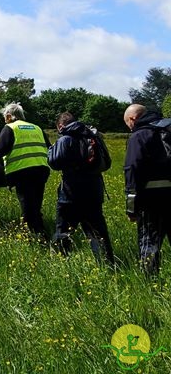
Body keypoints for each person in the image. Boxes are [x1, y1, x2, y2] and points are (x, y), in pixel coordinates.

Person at [47, 112, 114, 264]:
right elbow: (107, 163)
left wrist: (50, 150)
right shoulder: (93, 137)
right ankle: (107, 263)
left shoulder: (65, 138)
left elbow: (54, 163)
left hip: (71, 194)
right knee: (97, 231)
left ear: (60, 125)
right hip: (94, 191)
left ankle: (61, 262)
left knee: (63, 230)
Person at [0, 103, 50, 237]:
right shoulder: (37, 128)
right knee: (35, 204)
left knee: (27, 207)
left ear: (8, 116)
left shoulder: (10, 128)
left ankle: (35, 237)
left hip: (23, 171)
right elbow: (49, 147)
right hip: (41, 170)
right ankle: (40, 231)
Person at [123, 103, 171, 275]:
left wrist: (131, 208)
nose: (129, 128)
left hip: (151, 201)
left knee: (149, 243)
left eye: (127, 124)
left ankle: (150, 285)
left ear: (133, 119)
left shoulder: (139, 135)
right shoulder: (168, 129)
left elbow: (132, 170)